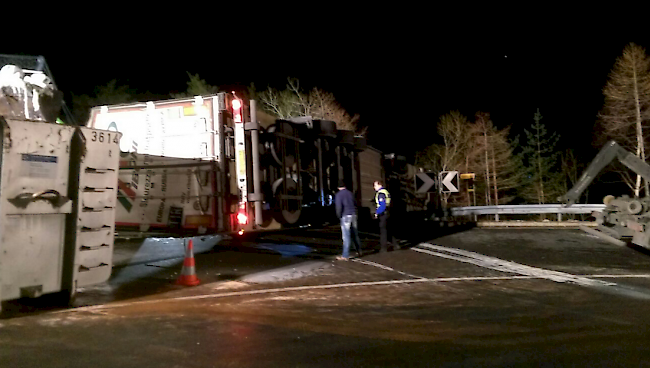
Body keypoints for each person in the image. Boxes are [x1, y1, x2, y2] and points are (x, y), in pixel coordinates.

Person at [334, 180, 363, 261]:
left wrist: (338, 216)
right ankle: (359, 251)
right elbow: (355, 203)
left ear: (338, 187)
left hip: (345, 216)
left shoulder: (338, 195)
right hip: (353, 214)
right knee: (355, 234)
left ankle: (345, 255)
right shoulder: (350, 193)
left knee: (346, 236)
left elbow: (339, 207)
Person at [374, 180, 399, 253]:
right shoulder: (386, 192)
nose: (374, 187)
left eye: (375, 185)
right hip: (388, 212)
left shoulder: (381, 193)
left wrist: (377, 213)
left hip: (383, 214)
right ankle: (395, 244)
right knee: (389, 229)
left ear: (379, 185)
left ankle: (383, 248)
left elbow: (382, 205)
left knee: (383, 231)